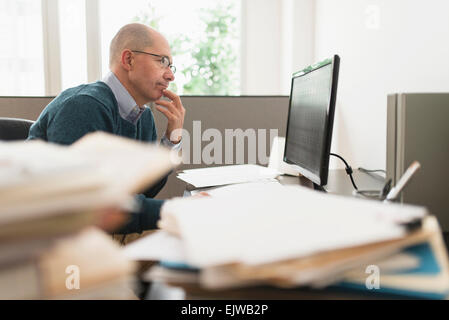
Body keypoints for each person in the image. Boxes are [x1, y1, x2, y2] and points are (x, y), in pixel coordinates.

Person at [28, 23, 186, 235]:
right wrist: (180, 210)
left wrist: (171, 141)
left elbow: (144, 192)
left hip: (98, 235)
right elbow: (89, 206)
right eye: (162, 61)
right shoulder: (84, 105)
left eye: (170, 66)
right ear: (128, 59)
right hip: (49, 238)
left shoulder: (143, 116)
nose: (170, 75)